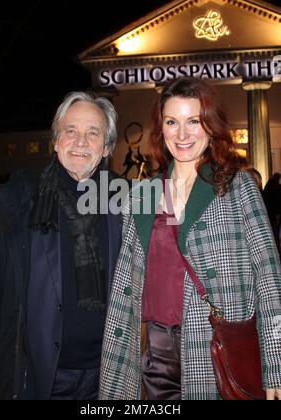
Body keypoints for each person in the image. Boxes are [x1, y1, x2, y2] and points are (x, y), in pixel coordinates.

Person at [99, 77, 281, 400]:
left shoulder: (236, 186)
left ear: (209, 125)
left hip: (217, 350)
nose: (182, 134)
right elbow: (125, 289)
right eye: (172, 122)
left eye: (193, 121)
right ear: (161, 127)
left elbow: (269, 278)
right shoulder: (143, 195)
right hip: (156, 354)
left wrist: (275, 365)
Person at [0, 91, 122, 400]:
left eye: (92, 132)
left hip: (109, 378)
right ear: (56, 141)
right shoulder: (14, 201)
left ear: (107, 147)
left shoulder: (126, 204)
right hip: (37, 377)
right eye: (70, 131)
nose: (80, 141)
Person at [263, 173, 281, 256]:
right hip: (273, 212)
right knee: (275, 232)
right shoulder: (275, 186)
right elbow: (277, 201)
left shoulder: (268, 185)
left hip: (268, 211)